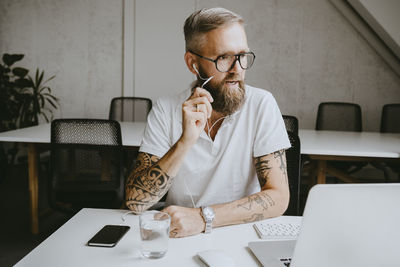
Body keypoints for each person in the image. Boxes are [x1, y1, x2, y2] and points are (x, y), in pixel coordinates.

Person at [126, 7, 291, 238]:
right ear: (193, 63)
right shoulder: (165, 109)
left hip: (241, 235)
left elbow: (279, 198)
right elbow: (137, 203)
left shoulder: (261, 104)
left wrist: (203, 218)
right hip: (180, 235)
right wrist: (185, 142)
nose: (238, 69)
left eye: (242, 56)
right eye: (224, 58)